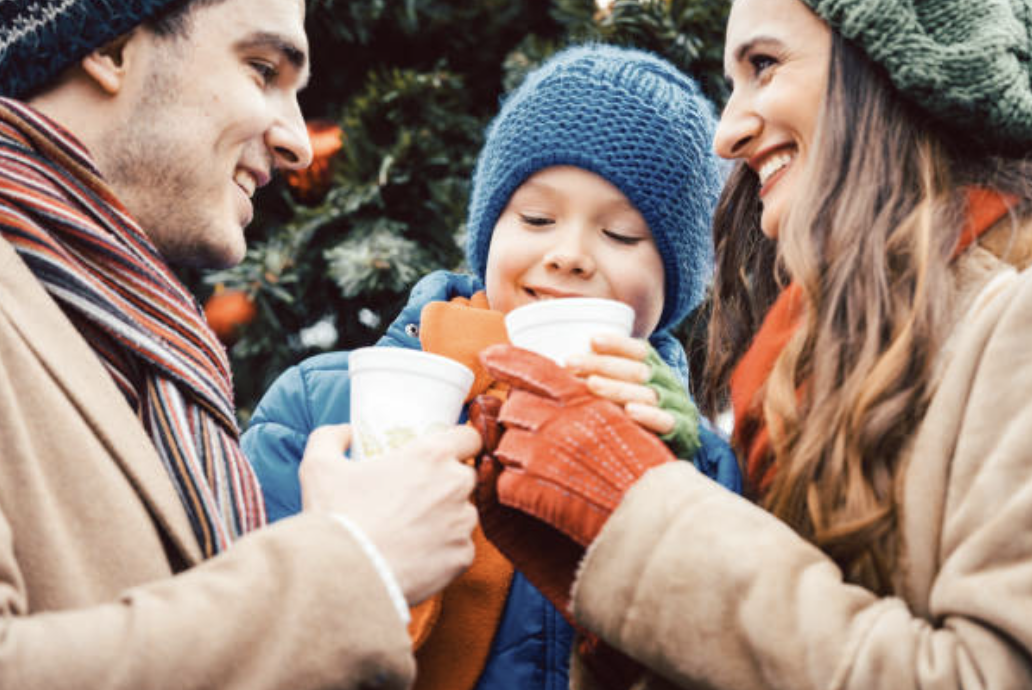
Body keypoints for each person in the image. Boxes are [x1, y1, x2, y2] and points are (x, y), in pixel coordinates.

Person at [470, 0, 1032, 688]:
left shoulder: (1011, 327)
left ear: (891, 66)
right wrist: (617, 614)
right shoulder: (799, 374)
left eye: (763, 65)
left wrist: (651, 532)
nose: (726, 134)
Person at [0, 1, 482, 687]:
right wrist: (350, 566)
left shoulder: (146, 339)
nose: (295, 141)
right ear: (109, 49)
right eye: (262, 70)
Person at [243, 43, 740, 690]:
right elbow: (243, 635)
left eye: (620, 235)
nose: (569, 255)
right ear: (489, 230)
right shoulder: (323, 405)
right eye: (536, 218)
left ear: (675, 283)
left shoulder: (699, 459)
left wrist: (681, 464)